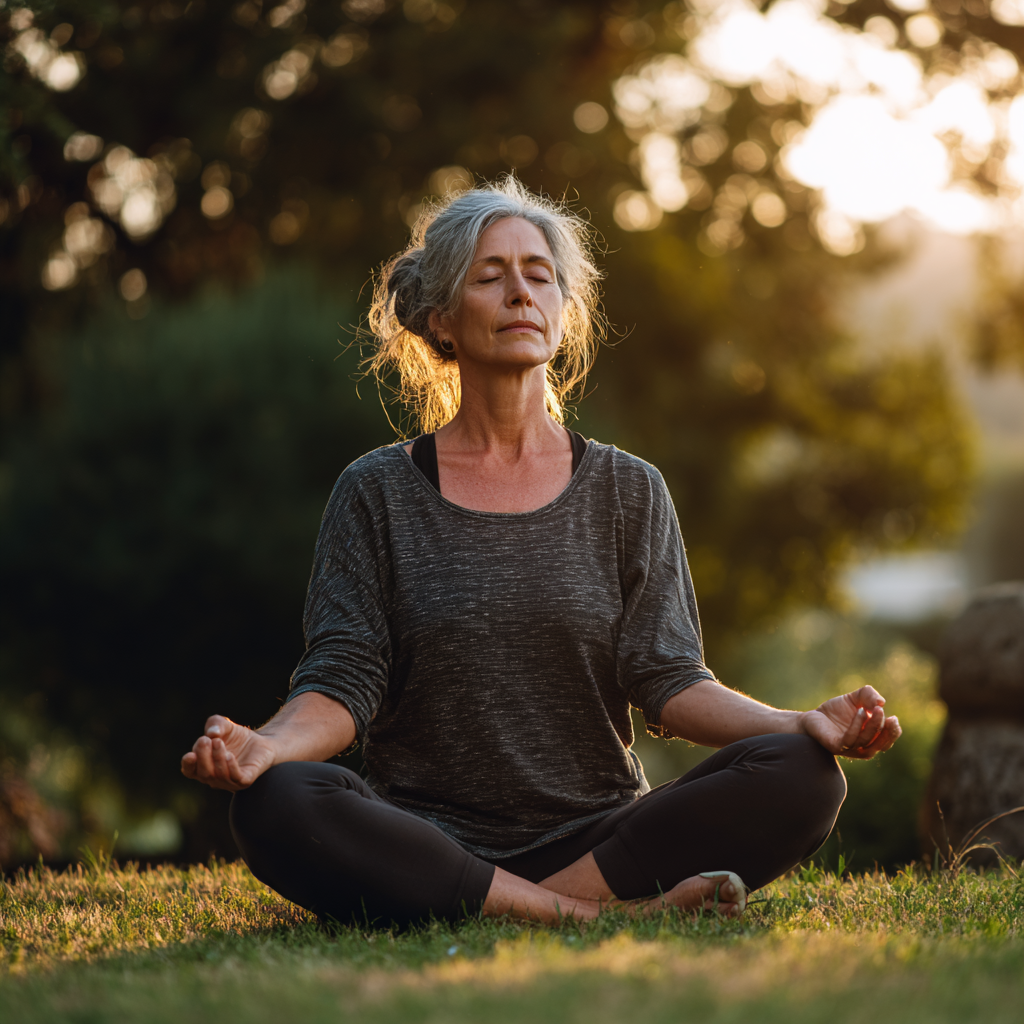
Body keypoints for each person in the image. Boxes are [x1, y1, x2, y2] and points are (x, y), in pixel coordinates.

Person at [181, 178, 901, 929]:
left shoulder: (629, 489)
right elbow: (343, 679)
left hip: (598, 836)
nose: (521, 292)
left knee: (803, 777)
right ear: (443, 321)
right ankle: (591, 917)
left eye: (540, 275)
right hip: (425, 839)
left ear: (563, 311)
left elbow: (669, 678)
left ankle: (526, 905)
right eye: (489, 277)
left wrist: (802, 723)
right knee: (276, 798)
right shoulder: (377, 491)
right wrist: (264, 747)